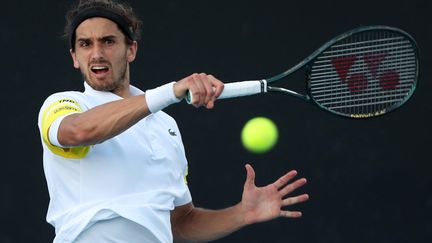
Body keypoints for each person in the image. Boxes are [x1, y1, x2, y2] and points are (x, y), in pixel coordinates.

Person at [37, 0, 309, 242]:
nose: (96, 54)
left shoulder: (165, 126)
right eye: (85, 44)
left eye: (108, 41)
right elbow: (81, 131)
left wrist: (241, 214)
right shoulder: (65, 104)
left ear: (131, 50)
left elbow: (180, 223)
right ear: (75, 57)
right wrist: (171, 91)